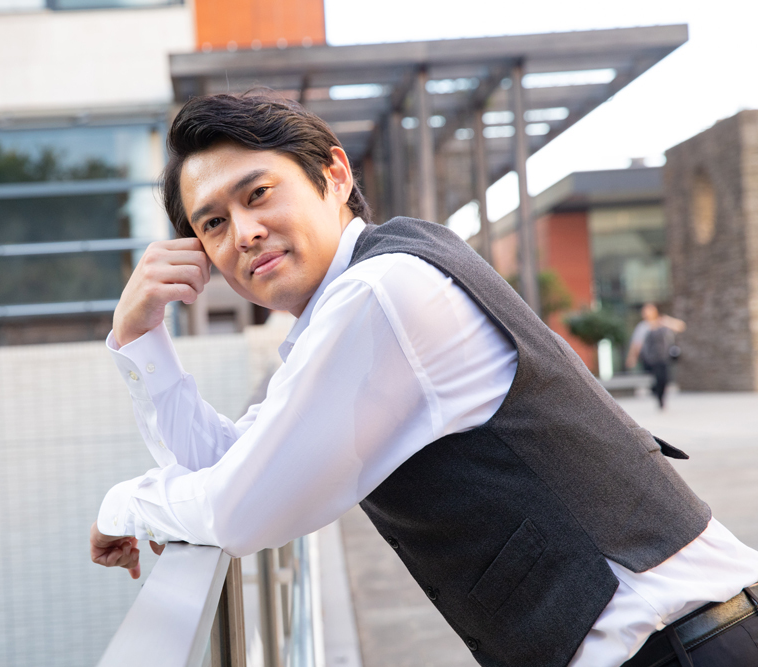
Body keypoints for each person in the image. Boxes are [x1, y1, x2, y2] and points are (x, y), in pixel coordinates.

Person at [89, 93, 758, 667]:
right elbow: (231, 467)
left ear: (335, 174)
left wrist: (124, 504)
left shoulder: (381, 293)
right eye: (213, 223)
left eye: (257, 193)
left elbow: (240, 510)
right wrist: (141, 338)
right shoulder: (368, 290)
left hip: (688, 643)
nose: (243, 232)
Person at [626, 303, 686, 409]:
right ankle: (657, 395)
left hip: (663, 357)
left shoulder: (663, 322)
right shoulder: (643, 326)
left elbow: (681, 326)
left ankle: (661, 398)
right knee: (654, 380)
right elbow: (636, 343)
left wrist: (667, 321)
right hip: (649, 359)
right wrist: (632, 357)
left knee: (663, 379)